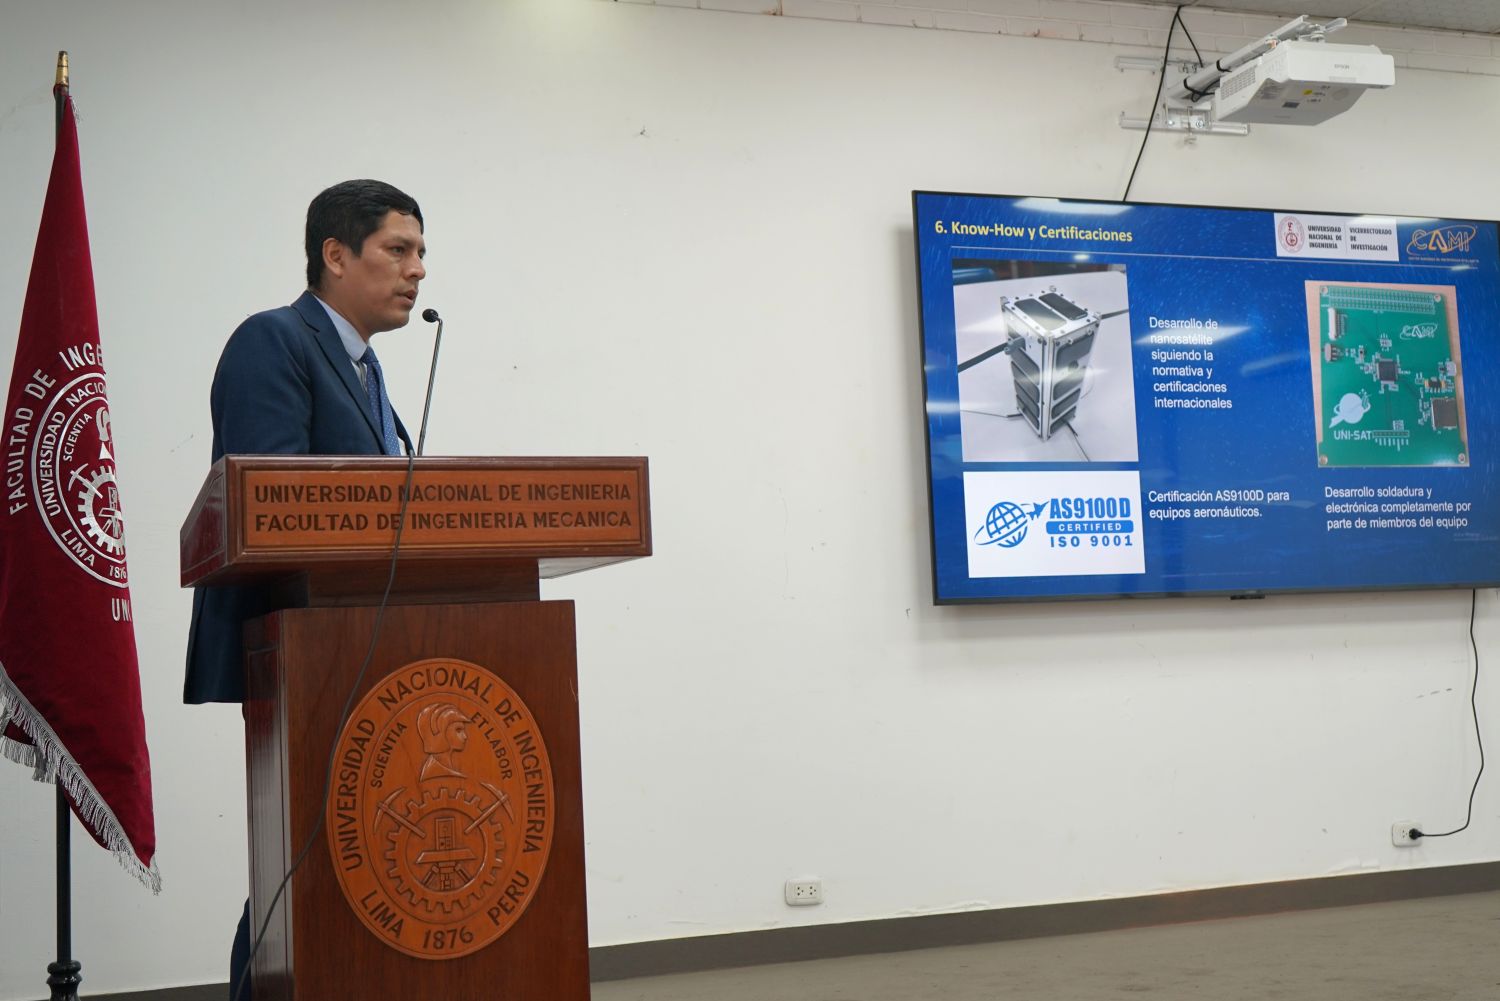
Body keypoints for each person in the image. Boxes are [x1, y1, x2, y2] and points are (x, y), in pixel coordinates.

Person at [182, 179, 427, 1000]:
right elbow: (273, 502)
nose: (418, 270)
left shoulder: (368, 369)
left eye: (421, 253)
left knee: (338, 856)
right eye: (398, 249)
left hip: (364, 645)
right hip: (301, 648)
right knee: (297, 857)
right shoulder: (274, 340)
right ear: (335, 254)